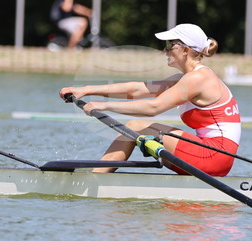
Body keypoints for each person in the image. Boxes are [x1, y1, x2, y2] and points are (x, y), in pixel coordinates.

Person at [59, 23, 240, 176]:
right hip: (210, 155)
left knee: (134, 126)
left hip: (214, 157)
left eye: (170, 45)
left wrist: (104, 106)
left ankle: (95, 178)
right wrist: (86, 90)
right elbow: (137, 89)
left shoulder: (198, 79)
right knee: (135, 127)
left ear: (185, 50)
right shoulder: (187, 78)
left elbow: (154, 107)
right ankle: (97, 175)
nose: (165, 50)